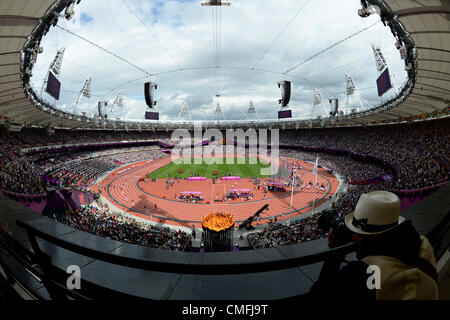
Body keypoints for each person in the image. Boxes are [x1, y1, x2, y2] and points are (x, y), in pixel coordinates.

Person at [308, 191, 439, 300]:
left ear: (360, 236)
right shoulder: (423, 244)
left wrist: (335, 252)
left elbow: (317, 296)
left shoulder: (365, 272)